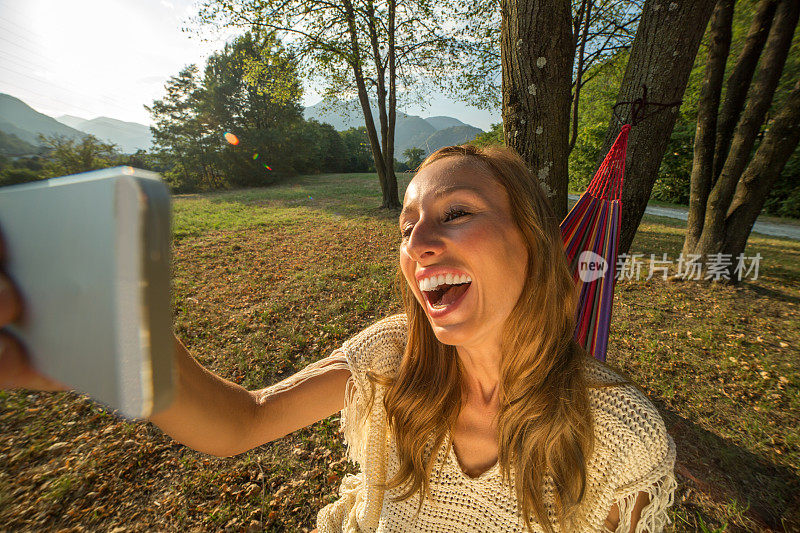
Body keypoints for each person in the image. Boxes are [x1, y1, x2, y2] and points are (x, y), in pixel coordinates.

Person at [0, 144, 677, 532]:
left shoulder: (621, 437)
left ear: (531, 242)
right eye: (408, 226)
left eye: (456, 213)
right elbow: (243, 420)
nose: (419, 243)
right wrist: (126, 342)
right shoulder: (391, 357)